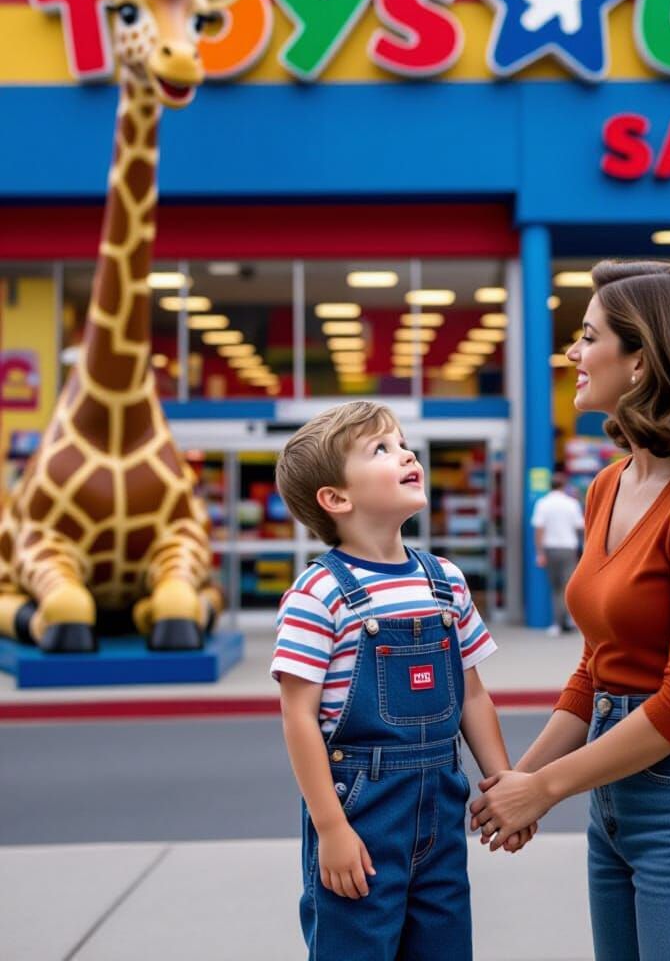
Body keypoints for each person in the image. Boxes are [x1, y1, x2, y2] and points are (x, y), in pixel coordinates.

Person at [471, 259, 670, 961]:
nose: (572, 354)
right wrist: (521, 784)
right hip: (614, 801)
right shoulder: (609, 485)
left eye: (588, 337)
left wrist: (544, 787)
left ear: (643, 360)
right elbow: (597, 667)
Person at [271, 400, 533, 961]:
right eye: (381, 449)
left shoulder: (447, 582)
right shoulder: (318, 594)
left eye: (402, 443)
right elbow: (298, 719)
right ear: (337, 499)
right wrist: (331, 829)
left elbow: (473, 694)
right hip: (360, 815)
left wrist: (505, 783)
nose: (406, 454)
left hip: (440, 806)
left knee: (444, 946)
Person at [531, 471, 584, 635]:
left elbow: (539, 529)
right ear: (564, 486)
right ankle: (569, 619)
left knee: (555, 588)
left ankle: (558, 623)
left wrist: (540, 553)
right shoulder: (572, 503)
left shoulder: (543, 503)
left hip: (550, 548)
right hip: (568, 548)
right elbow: (580, 526)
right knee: (568, 585)